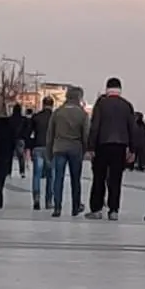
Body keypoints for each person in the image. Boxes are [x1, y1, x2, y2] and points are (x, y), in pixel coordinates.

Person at [86, 77, 138, 221]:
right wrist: (133, 149)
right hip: (120, 146)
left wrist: (91, 147)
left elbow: (95, 127)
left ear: (107, 89)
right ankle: (113, 210)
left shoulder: (101, 104)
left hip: (102, 145)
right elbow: (132, 129)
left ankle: (97, 209)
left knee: (99, 178)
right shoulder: (127, 105)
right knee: (116, 179)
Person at [47, 87, 89, 218]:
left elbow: (50, 133)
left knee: (58, 178)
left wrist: (49, 151)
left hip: (59, 148)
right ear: (78, 97)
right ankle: (75, 207)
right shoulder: (82, 114)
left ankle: (57, 207)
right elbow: (86, 134)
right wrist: (85, 149)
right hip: (75, 149)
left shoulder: (57, 112)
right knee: (75, 179)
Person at [27, 97, 55, 210]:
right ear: (52, 105)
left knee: (36, 175)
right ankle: (49, 201)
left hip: (38, 147)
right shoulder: (55, 117)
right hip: (51, 149)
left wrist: (30, 148)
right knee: (51, 176)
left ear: (43, 104)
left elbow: (29, 134)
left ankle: (36, 199)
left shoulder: (36, 117)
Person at [9, 105, 29, 179]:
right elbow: (27, 129)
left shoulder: (10, 119)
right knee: (21, 156)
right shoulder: (24, 119)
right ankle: (22, 172)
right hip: (20, 139)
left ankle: (8, 172)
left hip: (11, 138)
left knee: (9, 156)